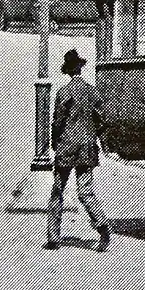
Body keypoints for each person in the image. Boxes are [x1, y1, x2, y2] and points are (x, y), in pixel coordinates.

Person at [45, 49, 111, 252]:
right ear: (80, 69)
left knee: (57, 190)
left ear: (67, 70)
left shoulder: (63, 92)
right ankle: (102, 227)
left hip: (66, 146)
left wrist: (54, 142)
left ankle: (54, 236)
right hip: (86, 147)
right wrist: (101, 142)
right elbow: (101, 121)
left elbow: (57, 122)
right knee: (85, 191)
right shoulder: (92, 91)